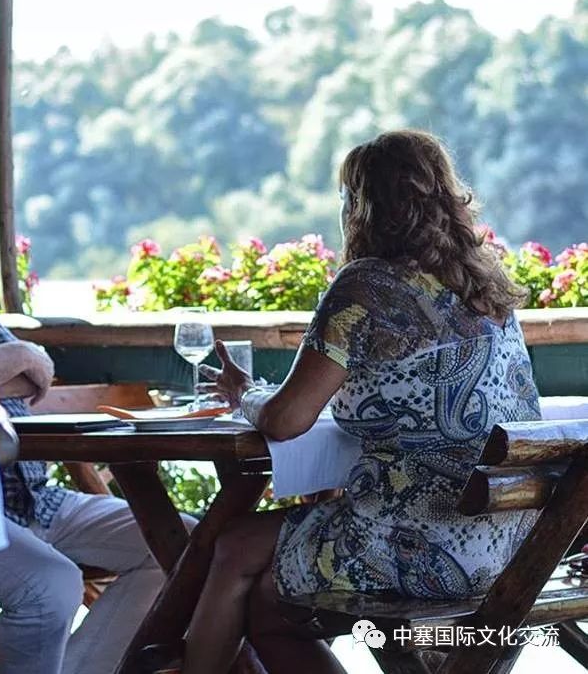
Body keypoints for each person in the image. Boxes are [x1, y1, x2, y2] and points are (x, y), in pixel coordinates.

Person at [177, 130, 540, 674]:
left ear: (365, 207)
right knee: (266, 603)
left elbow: (286, 419)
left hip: (424, 539)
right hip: (516, 549)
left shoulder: (365, 287)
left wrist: (242, 393)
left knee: (232, 547)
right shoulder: (485, 286)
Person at [0, 149, 194, 674]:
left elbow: (34, 378)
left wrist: (0, 363)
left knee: (183, 547)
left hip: (30, 498)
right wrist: (4, 360)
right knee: (51, 585)